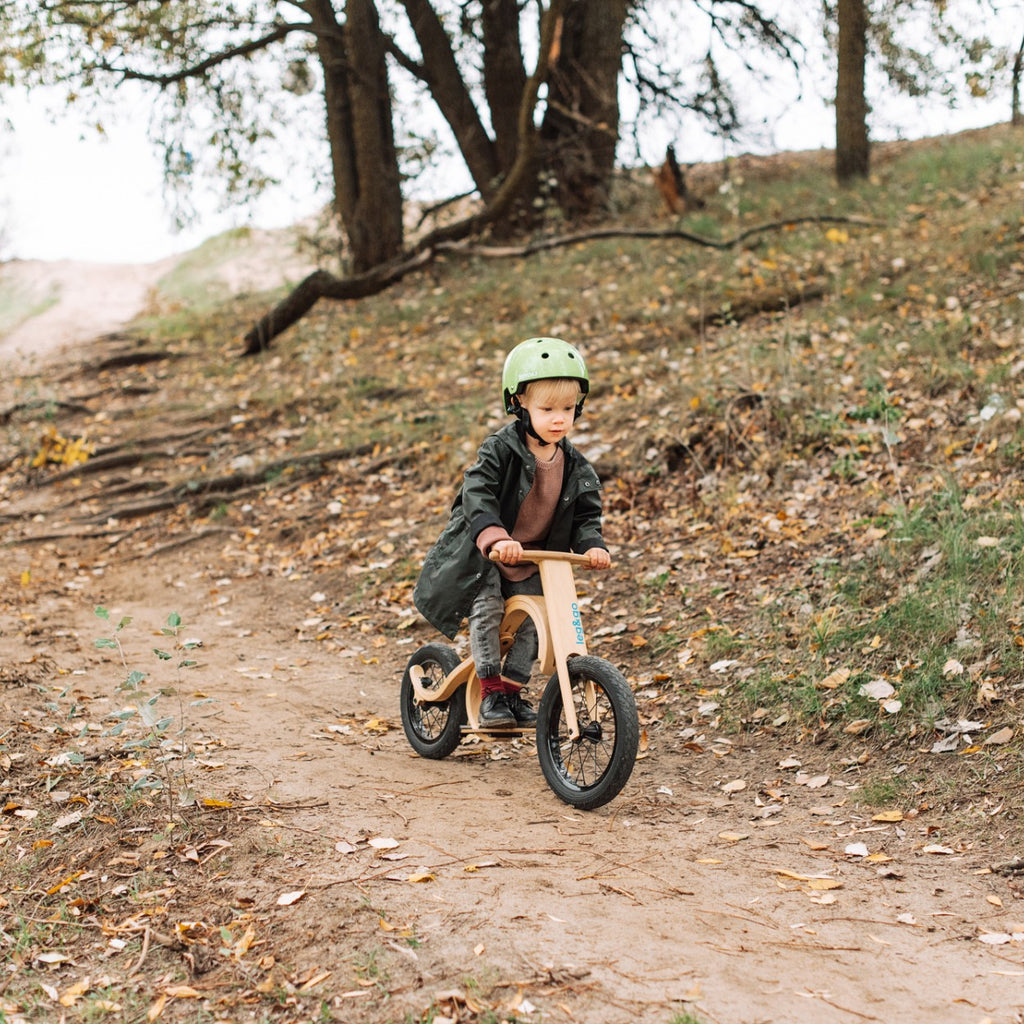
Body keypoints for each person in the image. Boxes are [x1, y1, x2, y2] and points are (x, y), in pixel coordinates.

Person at [413, 337, 611, 728]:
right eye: (547, 408)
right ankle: (489, 694)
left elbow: (587, 514)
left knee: (543, 620)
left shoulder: (576, 466)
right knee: (487, 610)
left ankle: (512, 690)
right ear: (519, 404)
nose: (559, 418)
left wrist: (593, 545)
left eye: (568, 409)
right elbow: (477, 492)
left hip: (533, 557)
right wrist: (495, 536)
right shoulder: (500, 449)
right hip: (488, 553)